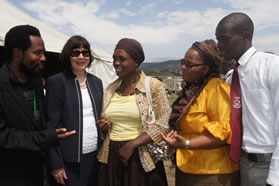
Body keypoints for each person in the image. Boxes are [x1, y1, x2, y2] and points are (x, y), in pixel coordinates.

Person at [0, 25, 75, 186]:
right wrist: (46, 137)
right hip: (13, 176)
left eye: (43, 52)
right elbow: (4, 136)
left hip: (42, 172)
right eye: (37, 53)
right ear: (17, 52)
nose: (44, 58)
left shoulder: (35, 81)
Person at [162, 39, 240, 186]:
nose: (183, 67)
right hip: (187, 167)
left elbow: (224, 133)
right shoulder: (193, 90)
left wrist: (186, 143)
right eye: (182, 62)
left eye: (190, 65)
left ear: (206, 69)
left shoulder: (216, 89)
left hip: (212, 173)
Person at [215, 12, 279, 186]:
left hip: (268, 164)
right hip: (239, 162)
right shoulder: (230, 77)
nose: (219, 45)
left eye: (224, 39)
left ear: (245, 35)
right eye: (217, 39)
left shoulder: (271, 67)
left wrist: (275, 177)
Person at [97, 38, 170, 186]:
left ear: (136, 61)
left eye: (122, 59)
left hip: (141, 156)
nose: (116, 63)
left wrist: (132, 145)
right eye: (114, 59)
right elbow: (107, 124)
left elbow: (164, 123)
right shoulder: (110, 89)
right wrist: (104, 127)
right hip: (112, 156)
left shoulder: (154, 86)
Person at [46, 35, 103, 186]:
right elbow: (50, 126)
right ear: (68, 55)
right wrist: (56, 164)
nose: (81, 57)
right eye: (75, 52)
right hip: (68, 158)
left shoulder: (96, 82)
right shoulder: (57, 82)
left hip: (95, 156)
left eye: (85, 53)